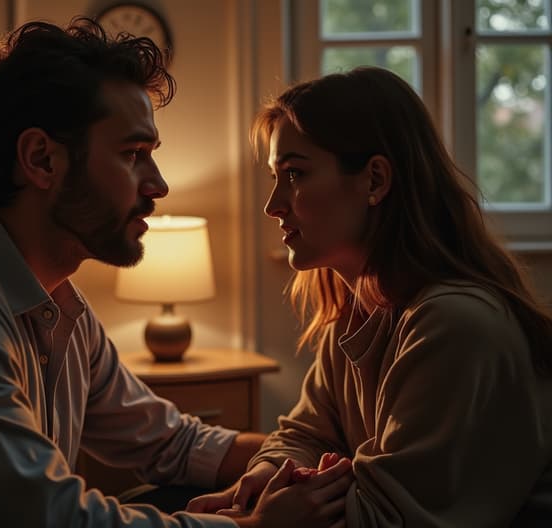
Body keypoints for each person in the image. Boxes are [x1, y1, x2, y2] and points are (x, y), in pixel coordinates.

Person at [0, 17, 315, 528]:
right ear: (41, 160)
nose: (158, 185)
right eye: (133, 154)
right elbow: (47, 518)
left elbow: (175, 443)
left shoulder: (60, 308)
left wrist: (306, 463)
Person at [187, 66, 552, 526]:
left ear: (375, 180)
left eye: (295, 174)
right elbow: (303, 432)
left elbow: (390, 518)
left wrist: (266, 520)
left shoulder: (453, 323)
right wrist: (265, 475)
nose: (273, 204)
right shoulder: (356, 311)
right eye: (276, 176)